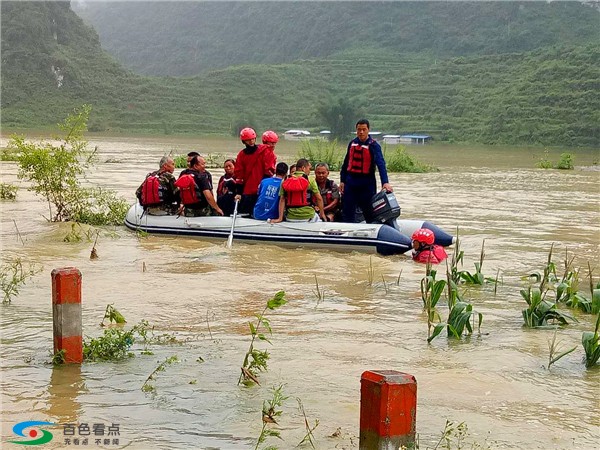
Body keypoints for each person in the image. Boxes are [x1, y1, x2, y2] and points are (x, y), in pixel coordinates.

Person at [339, 119, 392, 223]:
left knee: (369, 213)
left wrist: (385, 182)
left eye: (364, 129)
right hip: (350, 184)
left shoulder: (374, 146)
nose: (361, 132)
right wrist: (342, 181)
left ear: (368, 130)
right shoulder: (352, 143)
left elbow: (381, 164)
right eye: (359, 130)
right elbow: (346, 164)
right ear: (356, 130)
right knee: (347, 212)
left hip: (367, 185)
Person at [233, 127, 277, 216]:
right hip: (248, 191)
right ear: (244, 141)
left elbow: (268, 171)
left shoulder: (264, 151)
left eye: (252, 139)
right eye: (248, 140)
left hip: (261, 190)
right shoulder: (241, 155)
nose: (251, 142)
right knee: (246, 214)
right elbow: (239, 175)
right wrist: (238, 192)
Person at [271, 159, 326, 223]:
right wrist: (322, 214)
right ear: (303, 168)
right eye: (309, 168)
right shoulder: (310, 180)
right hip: (308, 217)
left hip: (290, 217)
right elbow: (319, 199)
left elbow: (282, 200)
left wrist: (280, 218)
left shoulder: (285, 180)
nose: (309, 171)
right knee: (319, 218)